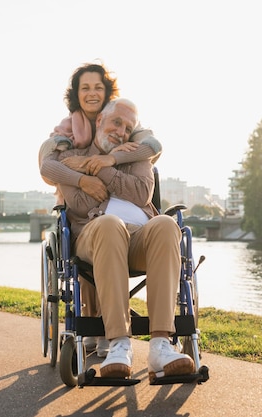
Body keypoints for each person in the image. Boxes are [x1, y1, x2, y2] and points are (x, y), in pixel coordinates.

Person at [39, 98, 196, 380]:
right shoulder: (72, 154)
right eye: (116, 122)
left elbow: (141, 194)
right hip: (94, 235)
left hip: (139, 238)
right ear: (99, 121)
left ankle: (161, 346)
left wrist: (101, 167)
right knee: (109, 224)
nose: (121, 131)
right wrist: (90, 173)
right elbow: (81, 199)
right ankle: (118, 344)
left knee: (165, 224)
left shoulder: (136, 154)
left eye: (127, 127)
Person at [38, 62, 163, 357]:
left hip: (119, 202)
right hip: (79, 200)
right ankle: (101, 325)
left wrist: (112, 159)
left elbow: (153, 146)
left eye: (98, 87)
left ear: (106, 93)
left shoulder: (124, 123)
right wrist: (81, 176)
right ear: (76, 94)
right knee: (92, 239)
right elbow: (49, 165)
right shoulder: (65, 131)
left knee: (117, 230)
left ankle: (115, 330)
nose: (92, 93)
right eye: (85, 88)